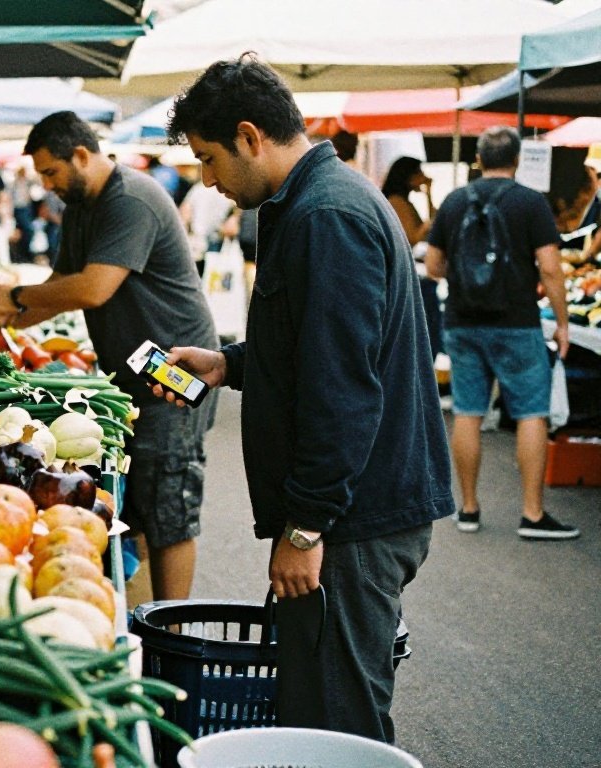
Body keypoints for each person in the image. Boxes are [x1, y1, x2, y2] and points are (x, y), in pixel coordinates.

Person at [157, 55, 453, 743]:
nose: (207, 179)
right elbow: (313, 348)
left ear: (250, 135)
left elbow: (342, 389)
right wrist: (228, 364)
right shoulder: (314, 202)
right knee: (318, 706)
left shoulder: (327, 216)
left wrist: (305, 527)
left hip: (355, 517)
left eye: (209, 159)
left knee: (335, 721)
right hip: (351, 510)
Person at [0, 111, 218, 602]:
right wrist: (9, 319)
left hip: (174, 370)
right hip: (132, 375)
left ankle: (170, 629)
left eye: (51, 172)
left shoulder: (130, 200)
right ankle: (147, 613)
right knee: (145, 507)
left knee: (170, 507)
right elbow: (57, 288)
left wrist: (15, 295)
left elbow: (93, 289)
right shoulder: (81, 205)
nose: (46, 185)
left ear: (81, 155)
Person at [424, 126, 578, 541]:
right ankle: (532, 514)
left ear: (478, 159)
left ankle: (469, 509)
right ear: (516, 159)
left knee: (469, 412)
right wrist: (562, 323)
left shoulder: (455, 201)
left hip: (463, 321)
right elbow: (550, 266)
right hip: (516, 321)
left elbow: (434, 265)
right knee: (531, 412)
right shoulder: (531, 203)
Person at [382, 156, 443, 358]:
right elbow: (414, 237)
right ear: (408, 177)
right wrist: (427, 223)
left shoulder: (405, 201)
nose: (423, 177)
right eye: (419, 173)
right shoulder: (397, 202)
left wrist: (429, 194)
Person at [179, 179, 234, 276]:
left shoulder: (198, 188)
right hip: (217, 238)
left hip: (197, 239)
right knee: (214, 275)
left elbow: (185, 212)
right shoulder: (225, 191)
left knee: (197, 275)